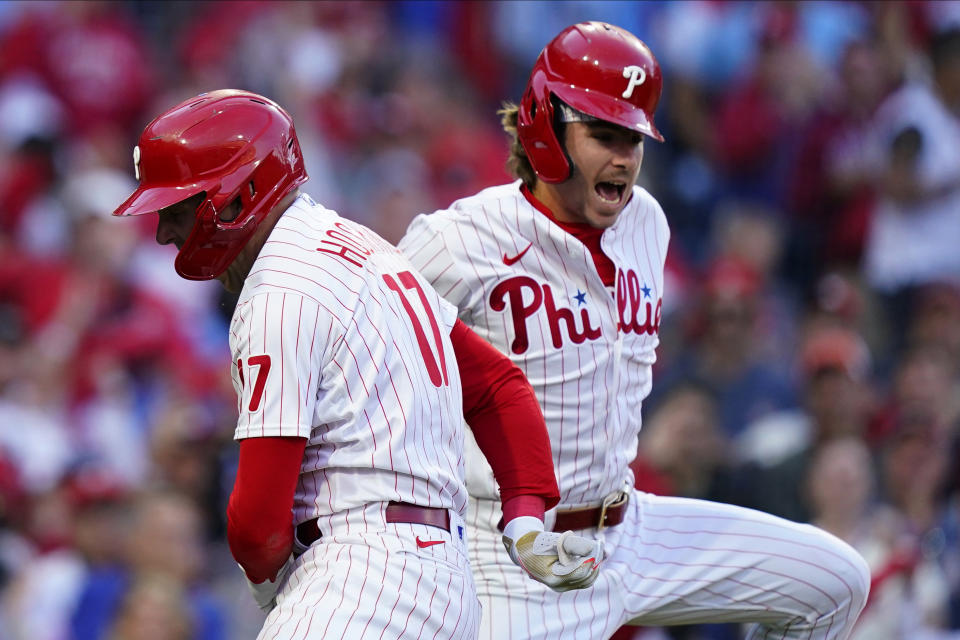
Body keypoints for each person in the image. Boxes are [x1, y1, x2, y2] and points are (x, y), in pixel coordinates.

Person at [398, 22, 871, 639]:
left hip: (632, 527)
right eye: (603, 134)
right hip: (512, 558)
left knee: (835, 583)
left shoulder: (646, 222)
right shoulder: (457, 241)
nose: (624, 156)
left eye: (634, 137)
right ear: (545, 129)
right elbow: (364, 359)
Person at [111, 89, 602, 639]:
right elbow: (497, 386)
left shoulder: (281, 286)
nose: (164, 233)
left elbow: (258, 525)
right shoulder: (374, 253)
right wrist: (526, 519)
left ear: (233, 198)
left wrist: (265, 583)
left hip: (359, 577)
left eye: (176, 210)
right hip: (446, 590)